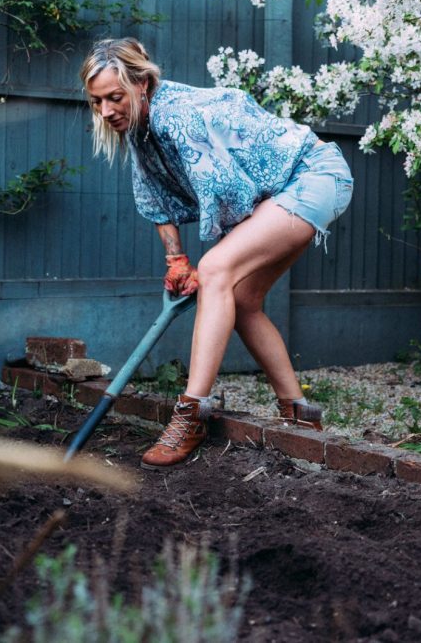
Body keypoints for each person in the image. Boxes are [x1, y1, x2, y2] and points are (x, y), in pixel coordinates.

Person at [80, 37, 353, 469]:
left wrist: (205, 270)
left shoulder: (179, 118)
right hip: (283, 188)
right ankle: (299, 414)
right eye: (97, 102)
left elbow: (228, 193)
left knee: (218, 269)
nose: (107, 111)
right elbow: (152, 195)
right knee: (241, 300)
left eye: (115, 98)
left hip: (315, 175)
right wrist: (176, 261)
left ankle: (191, 414)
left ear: (143, 85)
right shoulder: (138, 126)